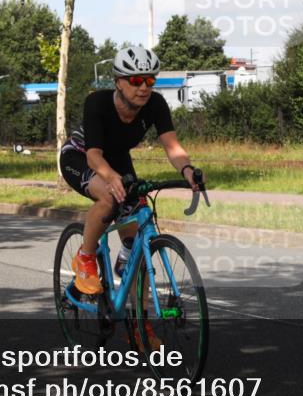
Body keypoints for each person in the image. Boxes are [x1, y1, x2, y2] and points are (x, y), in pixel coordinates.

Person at [59, 45, 202, 295]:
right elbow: (94, 156)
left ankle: (138, 314)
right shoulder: (97, 102)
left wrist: (187, 169)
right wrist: (111, 177)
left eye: (149, 80)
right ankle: (85, 257)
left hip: (118, 160)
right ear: (118, 82)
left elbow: (172, 146)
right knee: (109, 197)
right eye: (136, 80)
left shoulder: (155, 104)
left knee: (139, 250)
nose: (144, 87)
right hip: (80, 156)